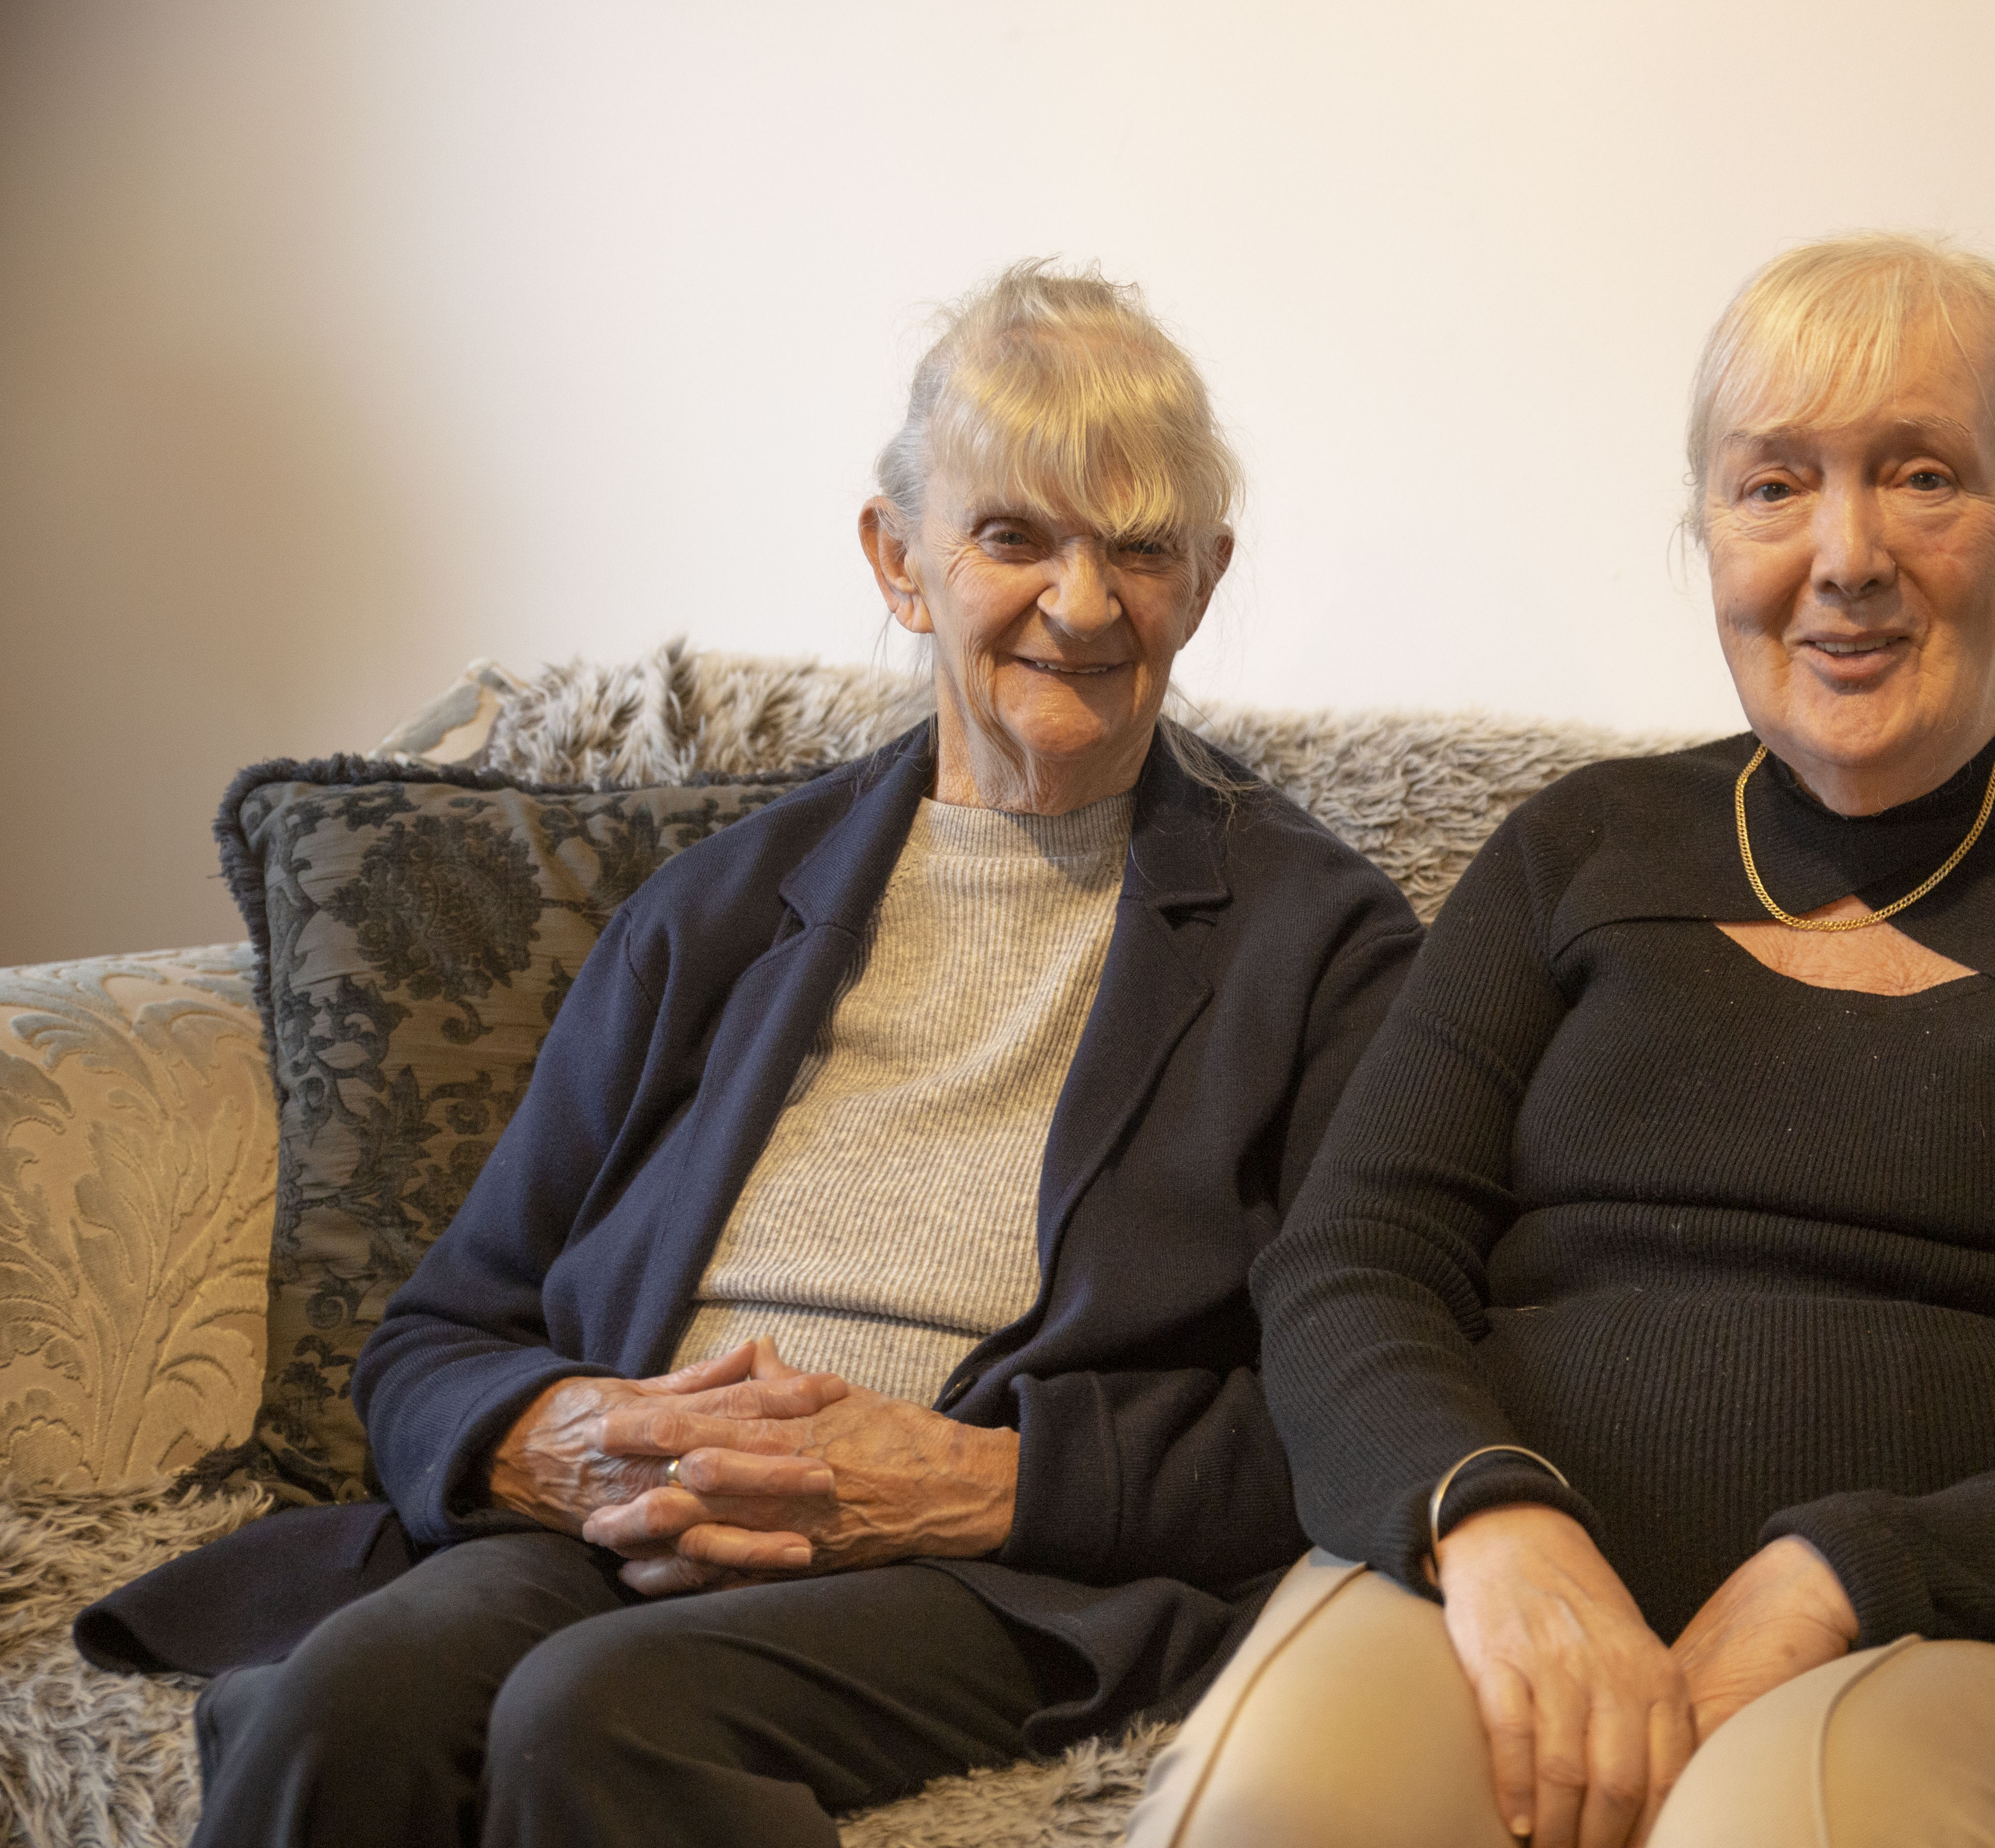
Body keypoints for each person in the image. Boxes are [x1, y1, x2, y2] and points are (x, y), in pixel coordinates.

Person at [1128, 234, 1995, 1848]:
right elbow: (1349, 1266)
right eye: (1775, 485)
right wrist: (1489, 1516)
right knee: (1274, 1805)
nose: (1848, 553)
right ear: (1711, 534)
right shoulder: (1573, 855)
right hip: (1549, 1605)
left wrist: (1854, 1577)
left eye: (1925, 477)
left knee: (1776, 1826)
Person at [175, 263, 1424, 1846]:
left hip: (993, 1569)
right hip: (632, 1515)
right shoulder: (718, 909)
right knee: (351, 1700)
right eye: (1016, 535)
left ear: (1208, 577)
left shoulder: (1321, 945)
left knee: (597, 1716)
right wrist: (559, 1442)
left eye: (1142, 548)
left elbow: (1360, 1397)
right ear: (900, 562)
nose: (1086, 603)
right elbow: (435, 1338)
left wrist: (974, 1480)